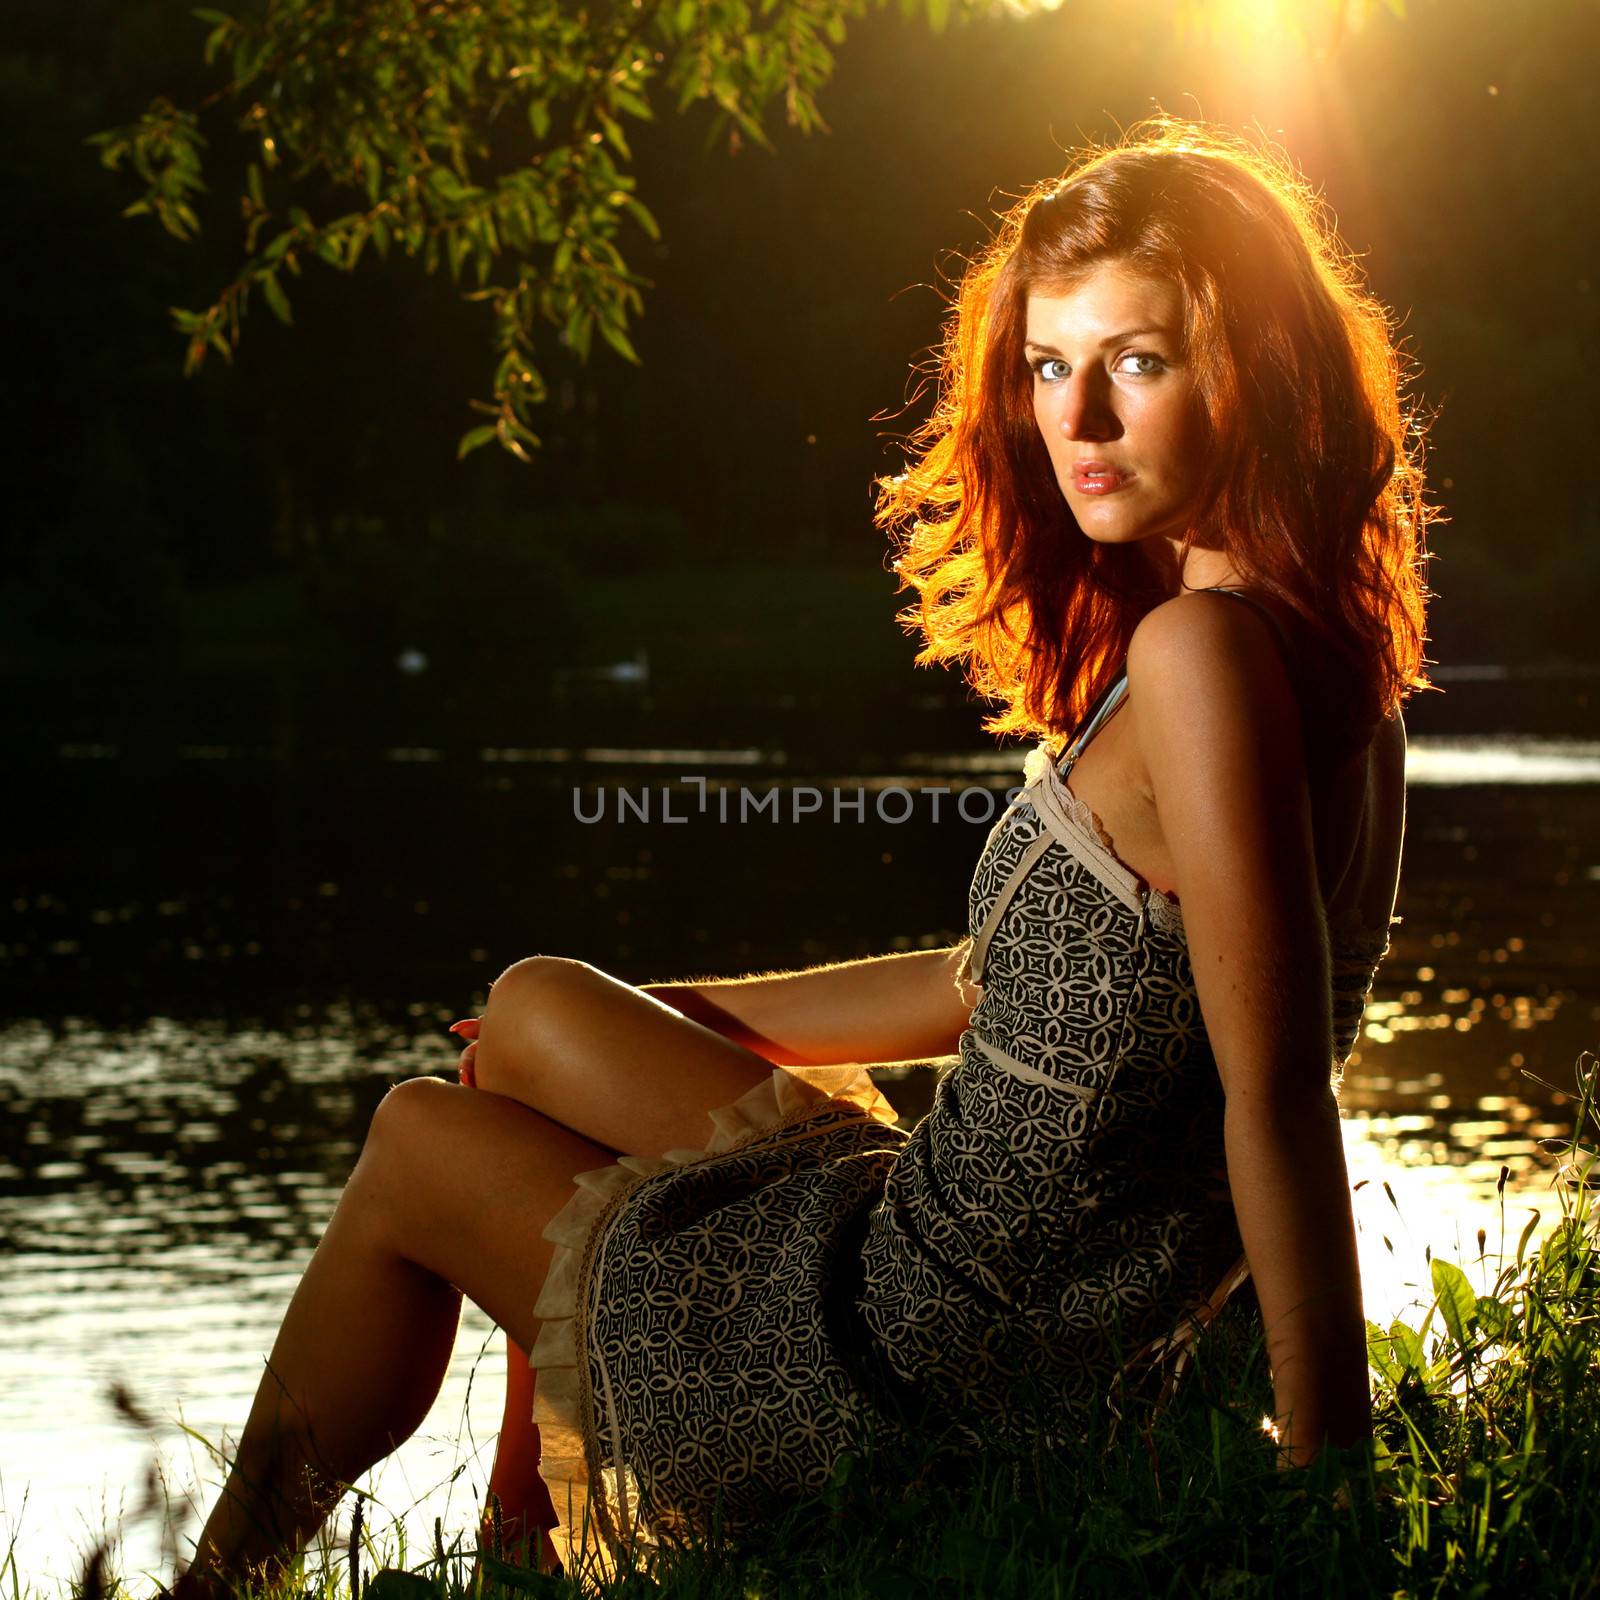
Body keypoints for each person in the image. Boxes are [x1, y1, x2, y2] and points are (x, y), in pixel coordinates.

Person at [170, 115, 1431, 1594]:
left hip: (914, 1358)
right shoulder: (1324, 664)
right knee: (533, 1009)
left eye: (1136, 363)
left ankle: (222, 1591)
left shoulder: (1203, 653)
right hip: (972, 1264)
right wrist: (680, 1020)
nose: (1076, 419)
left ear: (1253, 368)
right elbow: (1006, 980)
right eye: (1046, 365)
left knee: (415, 1141)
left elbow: (1275, 1088)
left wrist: (1326, 1484)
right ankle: (522, 1551)